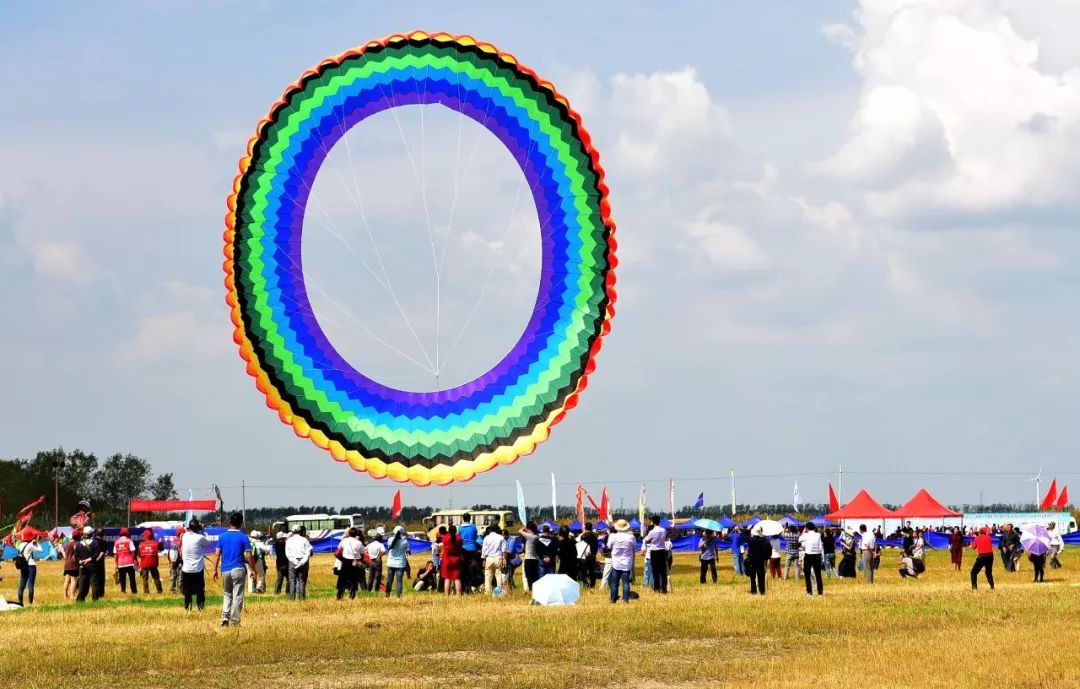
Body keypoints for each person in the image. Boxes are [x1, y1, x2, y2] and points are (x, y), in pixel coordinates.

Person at [180, 519, 210, 611]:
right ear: (198, 528)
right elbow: (208, 542)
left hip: (186, 568)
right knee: (200, 589)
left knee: (187, 590)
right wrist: (202, 531)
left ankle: (187, 606)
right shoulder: (200, 537)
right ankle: (200, 606)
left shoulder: (184, 536)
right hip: (198, 568)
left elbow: (186, 533)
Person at [606, 519, 636, 604]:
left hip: (616, 562)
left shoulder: (613, 536)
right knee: (626, 582)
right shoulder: (631, 537)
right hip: (627, 562)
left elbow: (608, 546)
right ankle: (625, 599)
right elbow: (634, 547)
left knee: (614, 583)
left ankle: (613, 599)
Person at [285, 525, 313, 601]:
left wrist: (295, 561)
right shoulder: (305, 540)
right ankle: (302, 599)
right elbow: (308, 552)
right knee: (302, 581)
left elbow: (288, 553)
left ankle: (292, 599)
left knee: (292, 581)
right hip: (303, 561)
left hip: (292, 561)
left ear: (292, 531)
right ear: (300, 531)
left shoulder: (289, 540)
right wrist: (302, 561)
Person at [336, 527, 364, 600]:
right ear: (356, 534)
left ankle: (339, 596)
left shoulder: (344, 541)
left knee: (342, 579)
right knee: (354, 579)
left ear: (349, 533)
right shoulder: (359, 542)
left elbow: (339, 548)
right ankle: (352, 596)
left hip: (345, 561)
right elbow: (362, 552)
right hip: (355, 562)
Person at [16, 533, 44, 606]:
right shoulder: (30, 545)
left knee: (21, 586)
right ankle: (30, 603)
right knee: (30, 585)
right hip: (31, 566)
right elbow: (40, 550)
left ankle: (20, 603)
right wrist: (37, 542)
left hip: (23, 566)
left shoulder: (20, 545)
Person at [478, 524, 506, 595]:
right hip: (498, 557)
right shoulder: (501, 537)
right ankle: (499, 592)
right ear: (497, 530)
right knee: (498, 575)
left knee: (488, 576)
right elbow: (504, 550)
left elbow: (484, 550)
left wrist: (483, 559)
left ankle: (488, 592)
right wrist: (504, 558)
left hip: (489, 558)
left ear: (490, 530)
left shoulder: (486, 538)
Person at [643, 515, 668, 593]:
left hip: (654, 551)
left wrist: (651, 541)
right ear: (659, 521)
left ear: (653, 522)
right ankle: (664, 589)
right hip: (662, 550)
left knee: (655, 571)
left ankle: (656, 588)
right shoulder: (663, 530)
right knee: (663, 571)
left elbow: (646, 540)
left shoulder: (652, 531)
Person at [385, 526, 411, 598]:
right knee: (399, 581)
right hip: (400, 564)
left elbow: (390, 546)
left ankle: (387, 595)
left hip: (390, 563)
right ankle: (398, 597)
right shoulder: (405, 542)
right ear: (402, 533)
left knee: (390, 579)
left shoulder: (390, 539)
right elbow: (409, 551)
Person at [799, 523, 824, 596]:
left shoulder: (806, 535)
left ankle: (809, 592)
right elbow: (820, 546)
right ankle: (820, 592)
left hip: (808, 555)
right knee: (818, 574)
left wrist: (804, 532)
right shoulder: (818, 534)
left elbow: (799, 540)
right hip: (817, 555)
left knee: (807, 574)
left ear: (807, 528)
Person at [440, 524, 464, 596]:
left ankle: (447, 595)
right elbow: (461, 546)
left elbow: (443, 546)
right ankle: (458, 595)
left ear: (449, 531)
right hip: (456, 560)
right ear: (456, 531)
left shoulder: (445, 538)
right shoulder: (459, 538)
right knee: (457, 579)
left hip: (447, 560)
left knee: (447, 578)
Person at [137, 530, 164, 594]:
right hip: (153, 564)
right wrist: (160, 543)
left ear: (146, 536)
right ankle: (159, 590)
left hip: (144, 564)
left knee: (145, 579)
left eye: (144, 536)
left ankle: (146, 592)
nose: (143, 537)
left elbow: (139, 555)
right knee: (156, 578)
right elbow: (162, 549)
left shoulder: (141, 545)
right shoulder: (155, 543)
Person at [746, 525, 770, 595]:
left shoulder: (751, 540)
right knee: (761, 577)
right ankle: (762, 591)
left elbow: (749, 551)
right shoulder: (764, 540)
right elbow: (766, 549)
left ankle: (753, 591)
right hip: (760, 560)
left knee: (752, 577)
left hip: (752, 560)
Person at [458, 513, 479, 593]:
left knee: (464, 568)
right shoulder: (473, 527)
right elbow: (475, 536)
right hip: (473, 548)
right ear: (470, 518)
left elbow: (459, 538)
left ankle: (465, 585)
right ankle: (473, 583)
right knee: (473, 567)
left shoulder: (460, 528)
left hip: (464, 549)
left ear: (463, 519)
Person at [74, 528, 96, 603]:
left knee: (82, 584)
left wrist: (80, 561)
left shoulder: (79, 544)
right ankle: (95, 599)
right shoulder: (94, 543)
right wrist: (89, 560)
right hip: (92, 566)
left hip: (82, 566)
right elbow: (96, 554)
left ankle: (80, 600)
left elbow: (76, 556)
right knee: (94, 583)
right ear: (91, 534)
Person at [114, 527, 137, 595]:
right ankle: (134, 591)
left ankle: (123, 591)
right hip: (129, 562)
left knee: (122, 578)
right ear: (127, 533)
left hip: (121, 563)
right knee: (132, 578)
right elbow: (133, 552)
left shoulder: (116, 542)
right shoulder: (129, 541)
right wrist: (135, 560)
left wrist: (116, 564)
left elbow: (115, 555)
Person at [970, 527, 995, 591]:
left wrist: (972, 542)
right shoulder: (989, 537)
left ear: (979, 532)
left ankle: (974, 588)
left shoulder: (977, 538)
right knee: (988, 572)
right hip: (990, 556)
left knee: (973, 572)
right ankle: (992, 586)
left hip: (982, 556)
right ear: (985, 532)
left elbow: (974, 547)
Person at [519, 522, 540, 592]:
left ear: (529, 529)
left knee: (528, 576)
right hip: (535, 559)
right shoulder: (537, 537)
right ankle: (536, 590)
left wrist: (524, 528)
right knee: (535, 576)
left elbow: (520, 531)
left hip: (528, 559)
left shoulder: (529, 536)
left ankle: (531, 590)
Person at [89, 527, 108, 600]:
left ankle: (95, 592)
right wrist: (97, 560)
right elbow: (102, 553)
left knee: (94, 579)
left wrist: (93, 560)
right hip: (100, 563)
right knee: (101, 578)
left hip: (92, 562)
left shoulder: (92, 541)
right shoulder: (104, 542)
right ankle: (101, 593)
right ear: (103, 534)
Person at [62, 530, 81, 598]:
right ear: (79, 536)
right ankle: (72, 595)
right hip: (73, 564)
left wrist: (66, 557)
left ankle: (65, 595)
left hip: (67, 563)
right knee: (74, 580)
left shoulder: (67, 543)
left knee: (67, 580)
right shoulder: (77, 544)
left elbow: (62, 551)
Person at [580, 523, 599, 588]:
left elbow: (581, 546)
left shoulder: (583, 536)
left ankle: (585, 584)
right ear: (591, 528)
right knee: (592, 571)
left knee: (584, 570)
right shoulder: (594, 536)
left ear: (585, 528)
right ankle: (592, 584)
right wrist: (594, 553)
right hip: (592, 555)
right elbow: (596, 547)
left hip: (584, 555)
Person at [168, 527, 184, 593]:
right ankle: (180, 589)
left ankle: (172, 589)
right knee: (180, 576)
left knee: (173, 576)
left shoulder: (173, 541)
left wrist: (170, 561)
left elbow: (170, 552)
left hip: (173, 561)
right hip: (180, 561)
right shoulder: (182, 541)